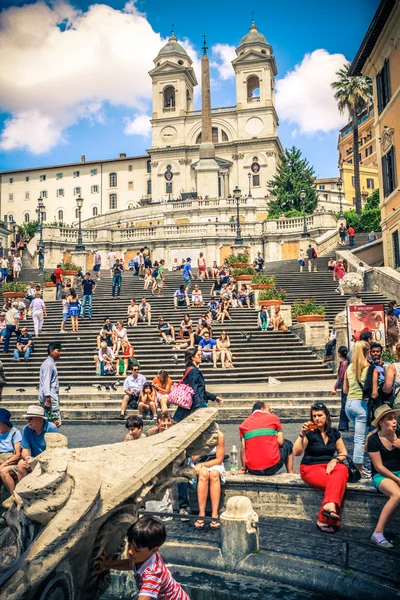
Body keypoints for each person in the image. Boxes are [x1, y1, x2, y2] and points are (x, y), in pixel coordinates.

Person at [95, 517, 190, 600]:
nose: (130, 552)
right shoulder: (142, 557)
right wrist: (106, 564)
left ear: (154, 549)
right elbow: (130, 564)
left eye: (136, 549)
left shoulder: (152, 575)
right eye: (130, 545)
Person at [293, 403, 348, 534]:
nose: (317, 419)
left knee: (342, 470)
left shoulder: (334, 433)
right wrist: (302, 434)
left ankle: (327, 511)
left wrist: (335, 460)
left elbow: (343, 453)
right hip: (310, 467)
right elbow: (296, 452)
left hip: (329, 467)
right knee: (337, 483)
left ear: (327, 416)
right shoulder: (309, 433)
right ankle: (327, 514)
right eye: (314, 416)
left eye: (320, 415)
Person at [366, 404, 400, 549]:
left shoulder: (399, 434)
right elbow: (379, 466)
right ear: (381, 422)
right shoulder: (374, 440)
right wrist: (398, 480)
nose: (394, 422)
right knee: (397, 495)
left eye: (395, 419)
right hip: (382, 475)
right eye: (390, 419)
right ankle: (378, 533)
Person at [239, 401, 294, 475]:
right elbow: (280, 442)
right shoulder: (273, 418)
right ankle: (290, 472)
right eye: (269, 410)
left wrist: (244, 468)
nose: (270, 412)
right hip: (272, 467)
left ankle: (245, 468)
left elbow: (243, 447)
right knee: (288, 444)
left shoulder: (244, 424)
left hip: (253, 469)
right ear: (263, 409)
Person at [173, 347, 223, 423]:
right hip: (197, 402)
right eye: (198, 355)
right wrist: (198, 406)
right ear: (192, 357)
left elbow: (199, 389)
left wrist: (214, 397)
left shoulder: (189, 369)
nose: (201, 357)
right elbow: (194, 389)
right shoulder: (193, 371)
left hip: (191, 402)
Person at [343, 340, 370, 476]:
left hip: (349, 405)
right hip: (361, 404)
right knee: (360, 439)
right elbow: (373, 391)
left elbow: (345, 389)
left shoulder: (349, 367)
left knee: (360, 437)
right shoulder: (368, 368)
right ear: (368, 352)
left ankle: (360, 465)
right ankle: (358, 468)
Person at [14, 405, 58, 486]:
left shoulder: (51, 428)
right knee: (21, 464)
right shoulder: (26, 429)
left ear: (40, 419)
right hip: (34, 458)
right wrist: (27, 458)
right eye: (27, 419)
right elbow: (24, 450)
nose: (28, 421)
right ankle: (26, 488)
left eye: (30, 418)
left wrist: (35, 460)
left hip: (48, 458)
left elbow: (52, 451)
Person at [193, 429, 226, 529]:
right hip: (198, 463)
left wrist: (203, 464)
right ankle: (201, 513)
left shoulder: (219, 435)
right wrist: (206, 445)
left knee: (214, 474)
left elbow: (219, 460)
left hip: (214, 463)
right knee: (204, 474)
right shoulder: (197, 434)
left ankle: (214, 514)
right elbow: (194, 458)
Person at [39, 342, 62, 425]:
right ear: (51, 351)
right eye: (58, 350)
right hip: (50, 397)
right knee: (54, 422)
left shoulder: (50, 363)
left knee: (50, 422)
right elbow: (46, 381)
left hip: (51, 396)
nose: (60, 353)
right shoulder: (48, 364)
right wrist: (48, 399)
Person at [0, 408, 22, 494]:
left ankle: (13, 495)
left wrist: (4, 464)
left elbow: (18, 454)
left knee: (3, 471)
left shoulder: (15, 433)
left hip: (10, 460)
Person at [331, 346, 350, 432]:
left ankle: (343, 425)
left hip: (345, 387)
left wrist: (335, 387)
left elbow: (341, 377)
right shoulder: (349, 363)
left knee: (344, 405)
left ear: (339, 354)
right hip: (350, 386)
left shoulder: (343, 364)